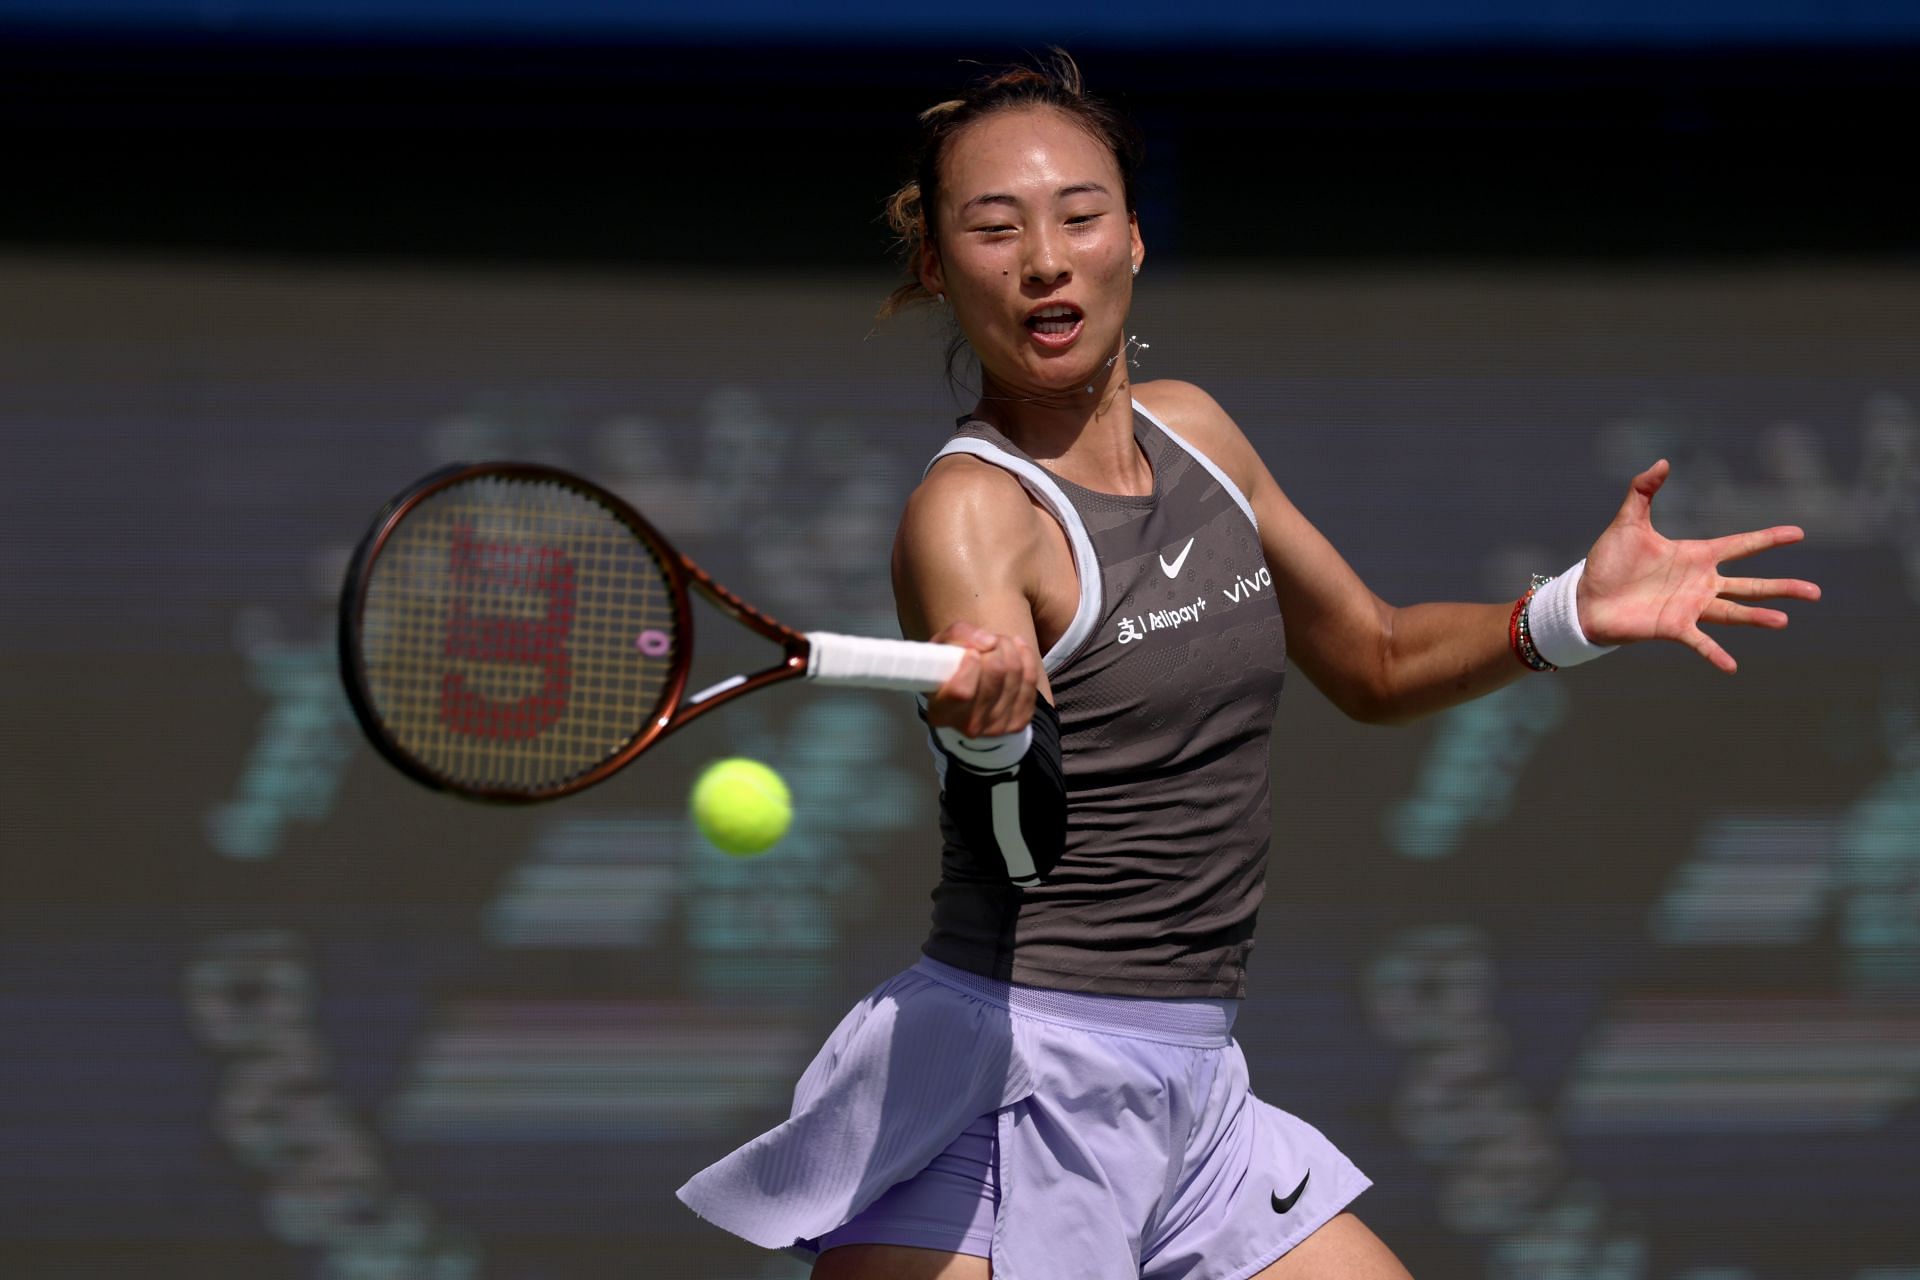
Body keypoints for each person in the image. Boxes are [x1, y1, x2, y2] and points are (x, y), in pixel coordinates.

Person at [678, 53, 1820, 1279]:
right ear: (936, 270)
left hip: (1196, 1091)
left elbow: (1373, 659)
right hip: (1012, 1086)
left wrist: (1568, 612)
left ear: (1134, 241)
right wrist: (991, 734)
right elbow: (1013, 841)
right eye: (994, 228)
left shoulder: (1198, 430)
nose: (1045, 258)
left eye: (1081, 214)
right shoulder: (970, 516)